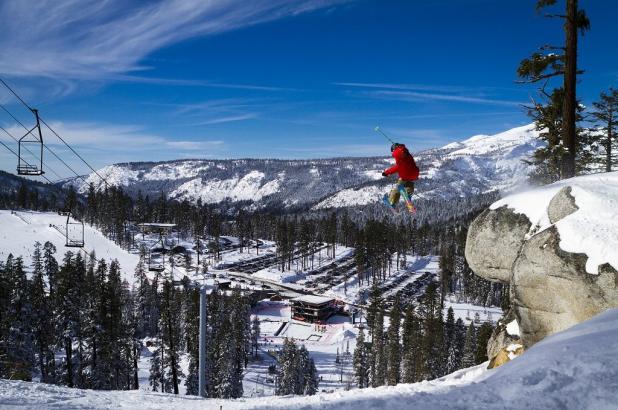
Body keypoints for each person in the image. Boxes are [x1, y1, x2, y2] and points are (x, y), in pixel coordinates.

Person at [382, 142, 419, 208]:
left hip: (405, 175)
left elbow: (397, 167)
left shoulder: (398, 154)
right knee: (409, 184)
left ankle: (392, 202)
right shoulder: (408, 154)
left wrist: (386, 172)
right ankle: (408, 195)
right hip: (414, 173)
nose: (392, 153)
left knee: (397, 188)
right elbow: (400, 166)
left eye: (392, 151)